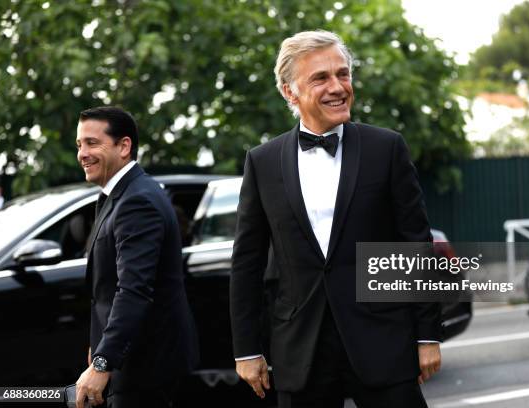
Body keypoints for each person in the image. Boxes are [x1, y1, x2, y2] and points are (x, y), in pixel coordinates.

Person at [230, 30, 442, 408]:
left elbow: (417, 244)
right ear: (289, 92)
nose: (338, 86)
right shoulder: (261, 162)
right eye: (321, 78)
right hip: (300, 349)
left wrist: (427, 335)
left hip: (383, 341)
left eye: (343, 74)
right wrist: (246, 349)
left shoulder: (386, 148)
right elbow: (246, 262)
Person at [74, 106, 199, 408]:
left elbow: (133, 289)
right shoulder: (117, 195)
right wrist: (101, 346)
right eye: (79, 145)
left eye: (92, 143)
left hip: (147, 365)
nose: (82, 154)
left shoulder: (138, 201)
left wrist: (103, 361)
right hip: (136, 362)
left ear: (124, 146)